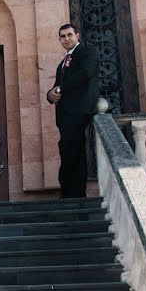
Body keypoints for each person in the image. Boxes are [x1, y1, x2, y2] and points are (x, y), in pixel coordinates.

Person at [45, 24, 100, 198]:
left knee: (74, 151)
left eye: (69, 35)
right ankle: (68, 193)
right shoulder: (63, 63)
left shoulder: (87, 52)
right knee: (67, 150)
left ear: (77, 35)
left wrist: (60, 89)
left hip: (79, 109)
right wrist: (50, 94)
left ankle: (74, 195)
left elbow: (86, 73)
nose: (66, 39)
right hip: (65, 115)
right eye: (63, 36)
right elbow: (55, 87)